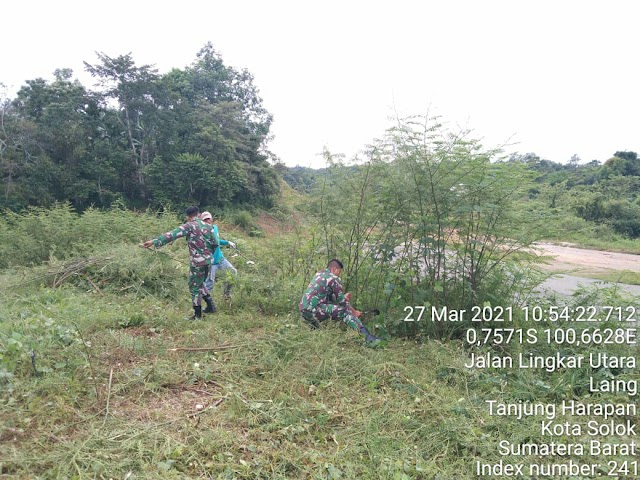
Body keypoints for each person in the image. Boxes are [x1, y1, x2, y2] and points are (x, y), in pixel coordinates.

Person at [140, 206, 218, 319]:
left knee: (194, 286)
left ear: (188, 217)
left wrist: (154, 241)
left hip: (197, 262)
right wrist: (208, 255)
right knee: (200, 283)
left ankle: (198, 315)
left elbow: (171, 235)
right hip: (208, 261)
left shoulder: (189, 226)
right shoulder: (209, 226)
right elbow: (215, 243)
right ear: (199, 214)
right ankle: (211, 307)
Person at [299, 259, 381, 347]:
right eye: (339, 271)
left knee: (326, 313)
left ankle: (314, 336)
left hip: (303, 310)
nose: (339, 274)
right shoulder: (333, 278)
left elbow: (331, 298)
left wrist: (344, 299)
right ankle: (368, 338)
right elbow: (342, 303)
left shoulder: (319, 274)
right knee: (345, 312)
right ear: (334, 269)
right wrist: (354, 312)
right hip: (315, 309)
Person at [200, 211, 237, 312]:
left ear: (211, 219)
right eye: (205, 219)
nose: (207, 221)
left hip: (221, 259)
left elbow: (217, 240)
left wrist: (227, 242)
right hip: (210, 262)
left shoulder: (215, 228)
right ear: (202, 221)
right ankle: (207, 305)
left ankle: (226, 294)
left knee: (233, 272)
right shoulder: (201, 231)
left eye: (209, 219)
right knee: (209, 283)